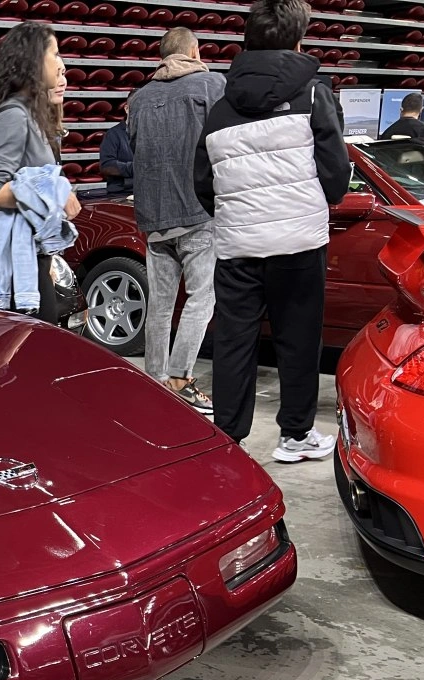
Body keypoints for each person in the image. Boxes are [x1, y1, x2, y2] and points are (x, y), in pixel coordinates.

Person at [195, 0, 350, 462]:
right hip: (299, 241)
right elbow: (336, 175)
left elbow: (203, 183)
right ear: (298, 41)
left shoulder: (220, 107)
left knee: (234, 340)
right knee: (298, 337)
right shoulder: (315, 96)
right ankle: (295, 435)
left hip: (237, 243)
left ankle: (227, 440)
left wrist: (238, 214)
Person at [128, 27, 226, 414]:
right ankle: (181, 378)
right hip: (198, 211)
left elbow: (135, 145)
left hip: (154, 216)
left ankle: (155, 380)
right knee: (203, 297)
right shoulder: (210, 85)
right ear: (193, 51)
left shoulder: (139, 97)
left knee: (161, 304)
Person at [0, 21, 80, 323]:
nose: (61, 63)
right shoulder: (13, 116)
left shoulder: (30, 116)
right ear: (33, 60)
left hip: (32, 258)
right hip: (13, 267)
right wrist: (58, 193)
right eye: (55, 54)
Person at [99, 116, 133, 195]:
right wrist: (136, 168)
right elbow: (106, 165)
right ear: (126, 108)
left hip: (146, 191)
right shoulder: (113, 134)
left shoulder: (148, 135)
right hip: (121, 192)